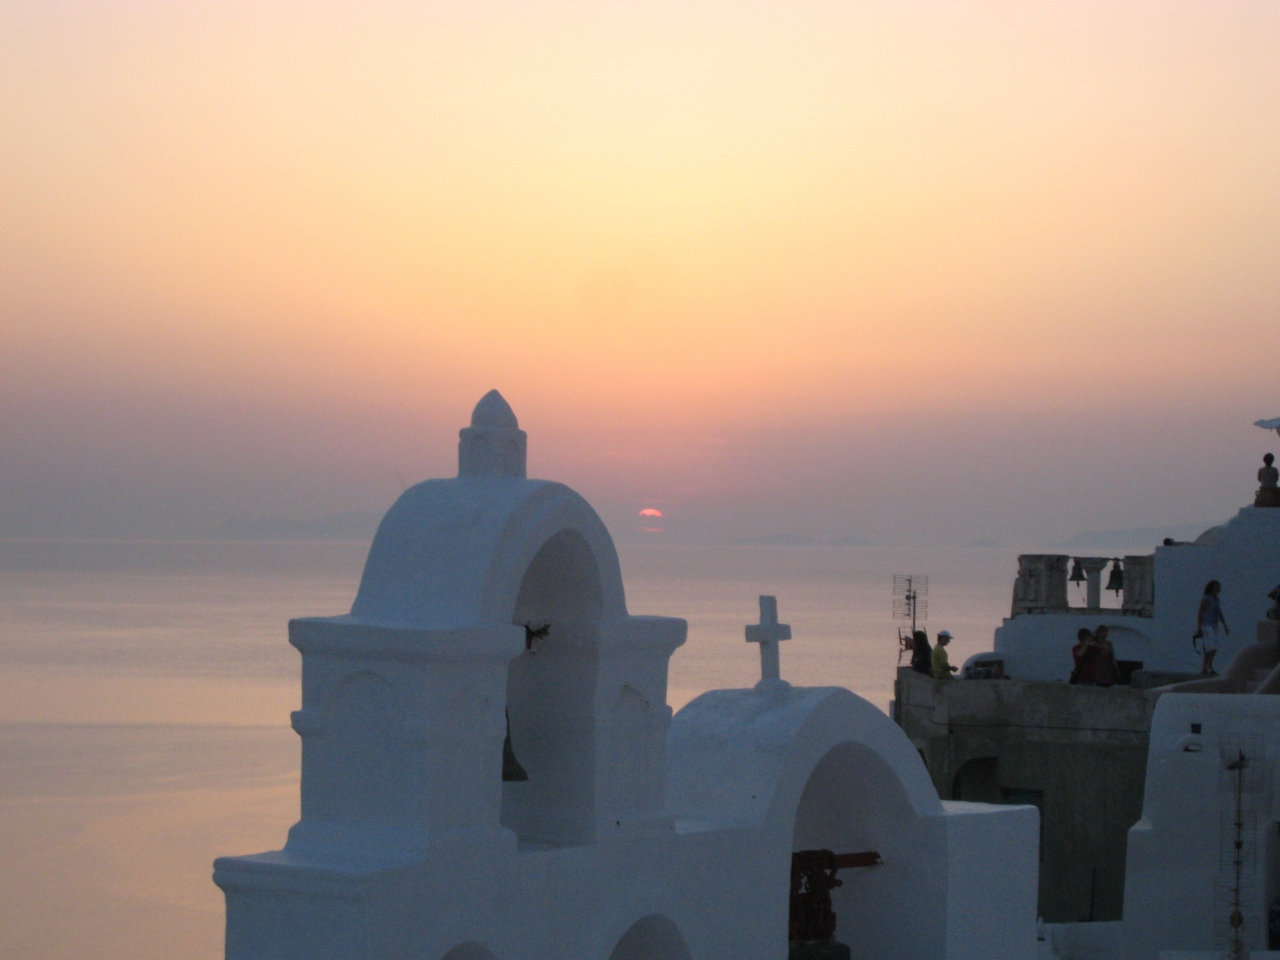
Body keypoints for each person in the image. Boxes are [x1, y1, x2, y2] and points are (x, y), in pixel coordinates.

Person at [1194, 580, 1229, 675]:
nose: (1218, 590)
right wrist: (1199, 626)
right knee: (1211, 646)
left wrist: (1225, 625)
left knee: (1213, 646)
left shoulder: (1216, 600)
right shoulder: (1206, 599)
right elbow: (1200, 612)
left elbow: (1219, 612)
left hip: (1214, 625)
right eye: (1216, 588)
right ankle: (1206, 666)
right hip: (1206, 624)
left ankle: (1208, 666)